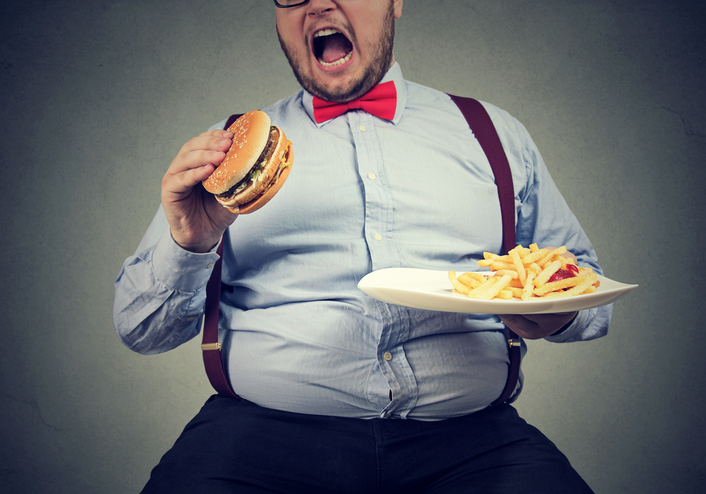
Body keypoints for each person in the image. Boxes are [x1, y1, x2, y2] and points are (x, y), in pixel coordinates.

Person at [114, 1, 612, 492]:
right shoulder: (225, 154)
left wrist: (559, 311)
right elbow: (140, 330)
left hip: (473, 442)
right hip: (262, 437)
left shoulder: (494, 134)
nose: (319, 5)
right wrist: (191, 241)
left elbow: (589, 295)